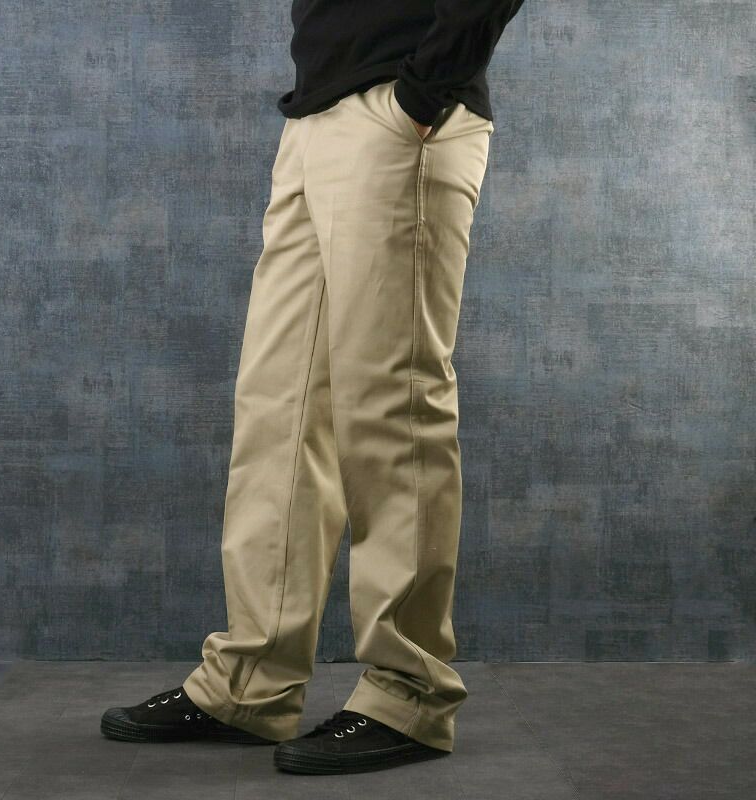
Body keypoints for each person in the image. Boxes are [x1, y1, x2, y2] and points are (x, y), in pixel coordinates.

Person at [101, 0, 526, 775]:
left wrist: (425, 90)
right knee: (279, 412)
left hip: (403, 110)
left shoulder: (415, 100)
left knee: (392, 408)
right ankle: (250, 681)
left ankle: (409, 694)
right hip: (314, 114)